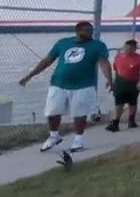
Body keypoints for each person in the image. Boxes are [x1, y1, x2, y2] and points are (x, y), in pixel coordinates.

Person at [17, 20, 112, 153]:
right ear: (78, 31)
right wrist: (29, 76)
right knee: (52, 112)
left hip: (83, 85)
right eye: (87, 30)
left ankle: (78, 140)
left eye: (91, 30)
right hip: (58, 84)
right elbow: (47, 61)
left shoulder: (98, 45)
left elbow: (104, 63)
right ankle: (54, 136)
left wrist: (109, 79)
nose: (90, 33)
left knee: (79, 113)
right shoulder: (63, 43)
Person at [107, 39, 140, 132]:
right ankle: (115, 122)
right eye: (125, 47)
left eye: (129, 48)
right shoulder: (118, 57)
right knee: (118, 102)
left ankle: (131, 120)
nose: (126, 50)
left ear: (135, 49)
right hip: (120, 82)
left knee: (132, 102)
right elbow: (116, 70)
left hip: (133, 83)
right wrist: (111, 81)